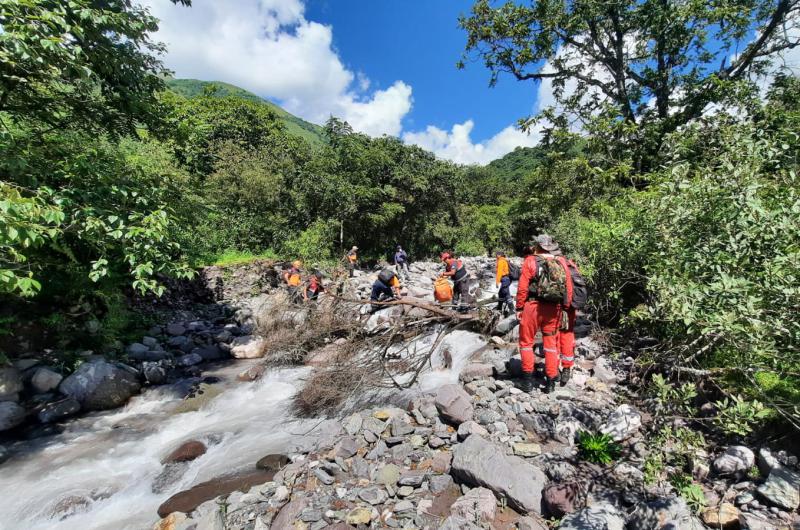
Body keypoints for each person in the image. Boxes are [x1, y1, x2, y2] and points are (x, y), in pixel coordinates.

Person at [516, 235, 565, 394]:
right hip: (554, 308)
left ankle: (528, 382)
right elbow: (568, 288)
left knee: (526, 342)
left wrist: (519, 308)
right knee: (551, 345)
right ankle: (550, 383)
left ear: (538, 245)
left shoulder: (530, 260)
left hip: (532, 307)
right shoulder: (561, 261)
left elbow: (523, 288)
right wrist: (564, 307)